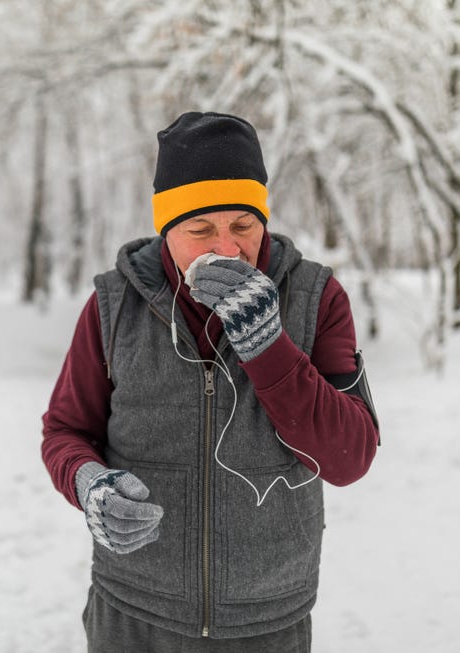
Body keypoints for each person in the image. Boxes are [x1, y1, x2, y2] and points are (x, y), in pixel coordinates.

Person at [41, 111, 379, 652]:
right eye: (200, 229)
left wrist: (269, 346)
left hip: (266, 619)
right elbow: (65, 430)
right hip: (132, 610)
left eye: (243, 225)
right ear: (166, 231)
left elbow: (350, 458)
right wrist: (89, 485)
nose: (226, 248)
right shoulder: (113, 306)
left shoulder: (317, 299)